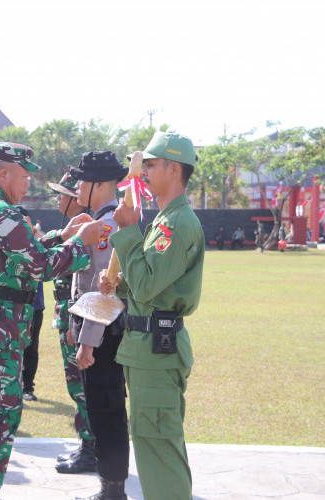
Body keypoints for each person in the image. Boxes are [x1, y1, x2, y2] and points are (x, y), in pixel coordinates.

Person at [0, 141, 104, 500]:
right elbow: (39, 265)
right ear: (3, 173)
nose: (28, 184)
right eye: (23, 176)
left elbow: (17, 255)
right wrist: (81, 243)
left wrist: (61, 236)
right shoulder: (0, 211)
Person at [99, 132, 205, 500]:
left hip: (156, 350)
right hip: (146, 348)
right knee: (152, 442)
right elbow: (146, 286)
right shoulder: (166, 219)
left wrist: (128, 232)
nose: (143, 171)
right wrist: (120, 286)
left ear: (174, 169)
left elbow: (148, 287)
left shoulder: (177, 223)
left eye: (151, 164)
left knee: (159, 446)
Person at [67, 152, 130, 496]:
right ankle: (111, 487)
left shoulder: (110, 224)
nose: (76, 186)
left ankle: (112, 490)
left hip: (105, 334)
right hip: (99, 329)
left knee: (107, 411)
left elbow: (103, 289)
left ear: (102, 184)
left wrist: (87, 338)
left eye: (82, 179)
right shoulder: (102, 219)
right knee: (104, 409)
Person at [45, 170, 97, 475]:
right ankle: (87, 444)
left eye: (62, 194)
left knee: (81, 387)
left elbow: (83, 282)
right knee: (77, 387)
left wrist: (71, 325)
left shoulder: (88, 230)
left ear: (76, 199)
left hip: (76, 316)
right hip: (67, 314)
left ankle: (91, 450)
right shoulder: (74, 229)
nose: (58, 199)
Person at [16, 206, 45, 402]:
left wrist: (33, 231)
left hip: (34, 305)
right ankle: (14, 385)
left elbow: (47, 249)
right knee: (13, 348)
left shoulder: (35, 239)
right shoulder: (8, 240)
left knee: (31, 347)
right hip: (13, 305)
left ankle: (27, 386)